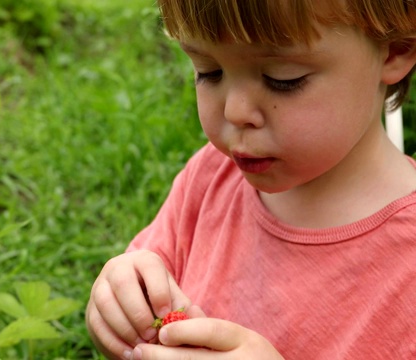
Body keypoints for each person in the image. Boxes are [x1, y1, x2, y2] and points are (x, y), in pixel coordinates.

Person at [85, 0, 416, 359]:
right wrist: (119, 307)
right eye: (208, 71)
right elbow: (146, 278)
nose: (234, 111)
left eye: (282, 79)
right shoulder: (213, 176)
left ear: (395, 49)